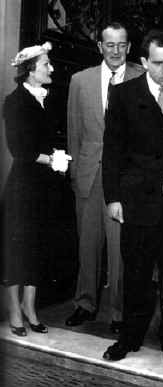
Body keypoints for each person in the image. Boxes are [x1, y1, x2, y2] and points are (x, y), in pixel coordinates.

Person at [102, 29, 163, 362]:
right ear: (143, 61)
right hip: (136, 202)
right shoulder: (124, 94)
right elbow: (112, 151)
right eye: (158, 63)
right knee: (137, 275)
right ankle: (129, 338)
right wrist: (112, 198)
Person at [66, 22, 144, 328]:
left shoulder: (142, 76)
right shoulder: (79, 81)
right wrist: (76, 174)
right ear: (100, 46)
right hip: (88, 175)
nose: (115, 51)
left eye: (121, 45)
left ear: (129, 47)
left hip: (124, 180)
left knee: (120, 250)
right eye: (109, 45)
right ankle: (84, 304)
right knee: (87, 245)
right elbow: (74, 132)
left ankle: (118, 312)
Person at [2, 42, 71, 337]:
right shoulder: (14, 101)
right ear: (31, 71)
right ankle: (14, 309)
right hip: (24, 187)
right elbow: (20, 148)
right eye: (46, 64)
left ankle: (30, 307)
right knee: (17, 249)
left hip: (46, 187)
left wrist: (58, 155)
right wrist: (52, 159)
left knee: (39, 247)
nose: (51, 68)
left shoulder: (49, 98)